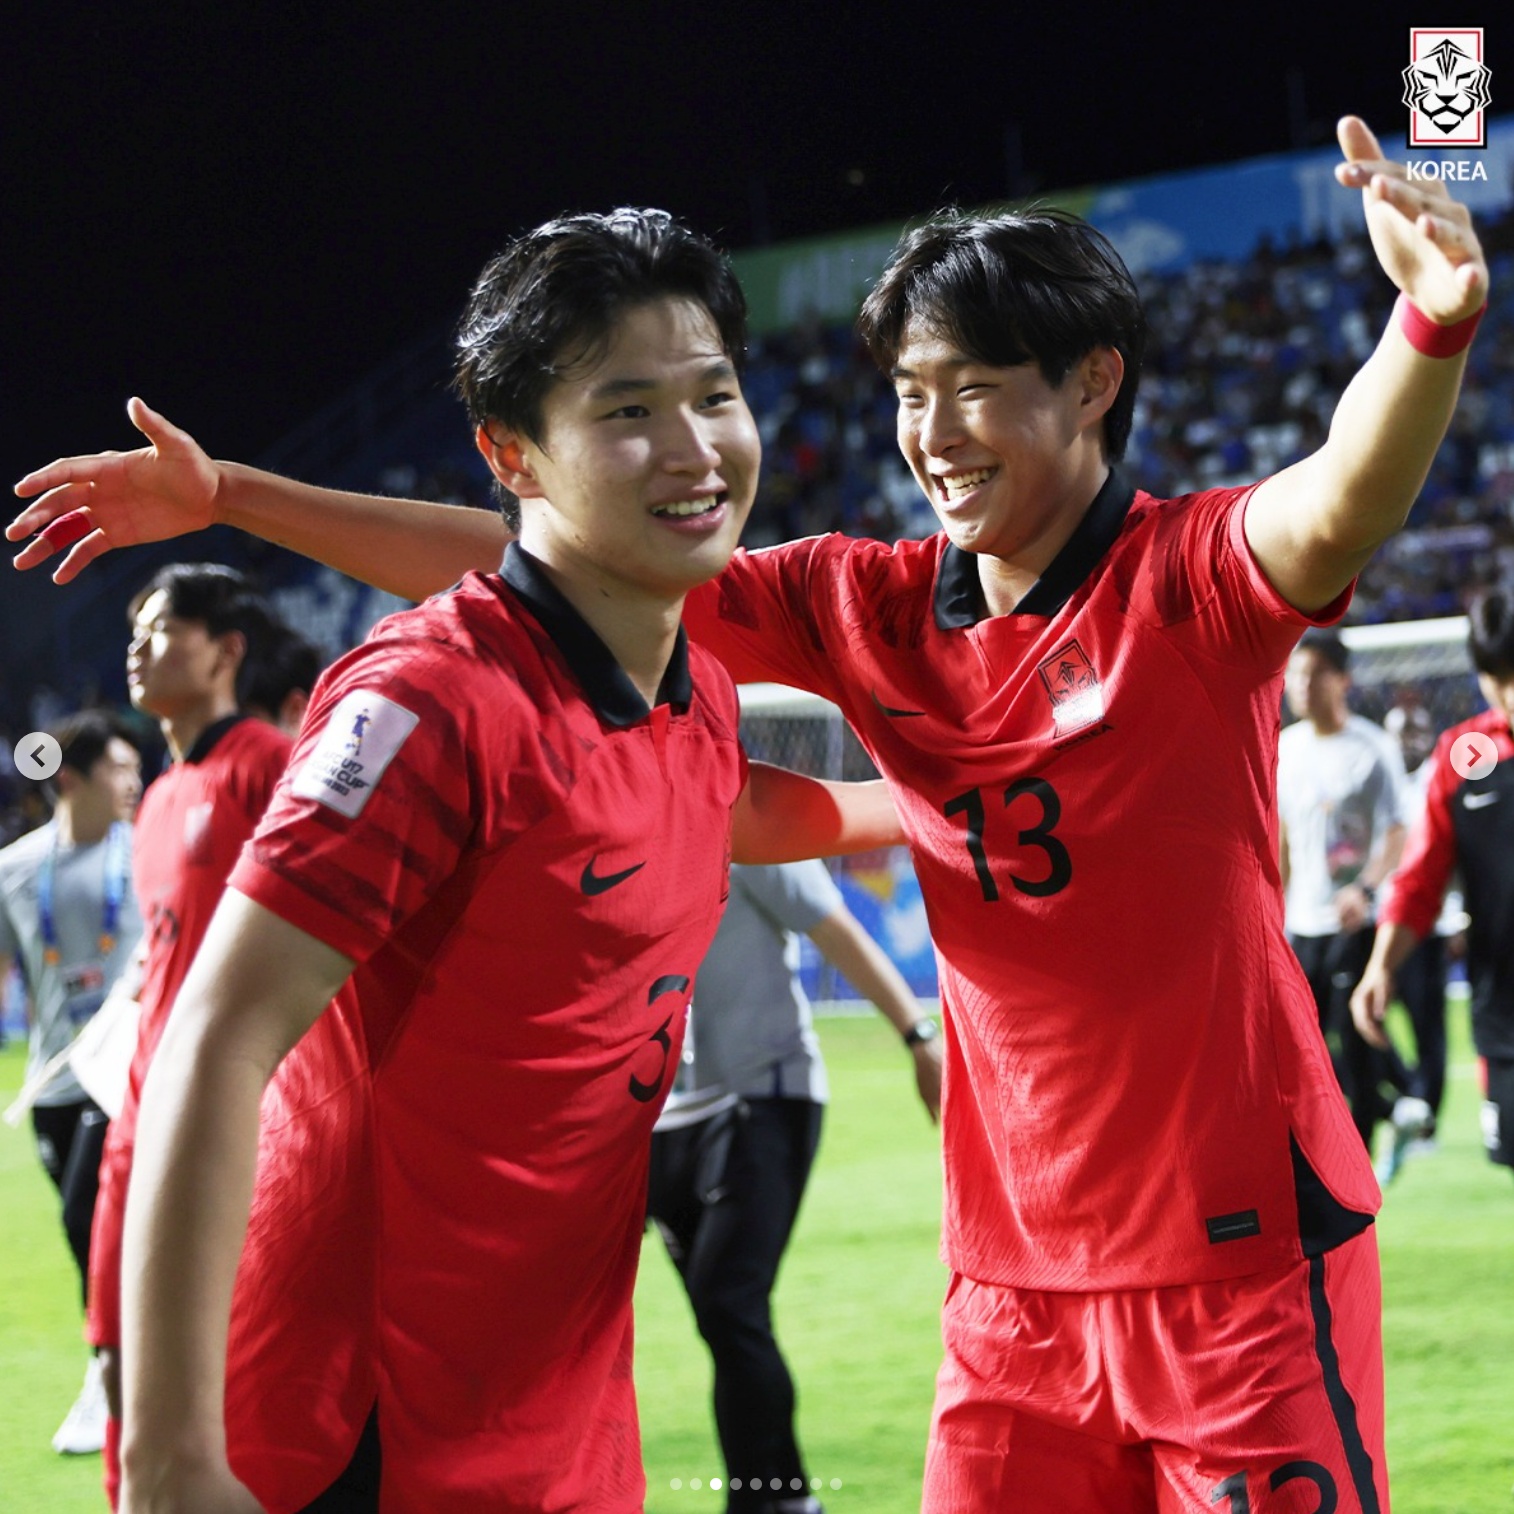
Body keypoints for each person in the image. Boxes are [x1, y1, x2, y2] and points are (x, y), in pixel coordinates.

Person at [8, 118, 1488, 1512]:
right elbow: (558, 548)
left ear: (1091, 381)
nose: (933, 432)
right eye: (908, 392)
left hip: (1235, 1258)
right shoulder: (865, 602)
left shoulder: (1185, 581)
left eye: (972, 385)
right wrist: (237, 499)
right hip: (1005, 1287)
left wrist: (1425, 329)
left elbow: (1333, 503)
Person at [20, 210, 902, 1514]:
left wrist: (941, 800)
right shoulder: (431, 700)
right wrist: (168, 1459)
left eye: (714, 394)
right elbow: (217, 1036)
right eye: (627, 410)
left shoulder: (691, 694)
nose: (692, 447)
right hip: (357, 1417)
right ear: (510, 454)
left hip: (551, 1405)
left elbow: (735, 814)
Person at [84, 562, 293, 1506]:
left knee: (232, 1389)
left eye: (164, 627)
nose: (140, 644)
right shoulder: (160, 796)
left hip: (234, 1124)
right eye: (135, 627)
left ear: (227, 650)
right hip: (137, 1122)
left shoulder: (267, 766)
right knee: (125, 1373)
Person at [646, 859, 940, 1514]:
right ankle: (785, 1497)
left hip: (766, 1094)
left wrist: (919, 1038)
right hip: (661, 1115)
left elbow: (835, 930)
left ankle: (771, 1501)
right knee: (720, 1318)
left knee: (728, 1301)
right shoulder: (623, 819)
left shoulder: (747, 815)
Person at [0, 710, 143, 1454]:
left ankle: (107, 1375)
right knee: (85, 1228)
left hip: (128, 1077)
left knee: (87, 1212)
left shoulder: (151, 849)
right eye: (117, 769)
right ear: (71, 779)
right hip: (53, 1081)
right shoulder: (16, 869)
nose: (132, 782)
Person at [1354, 586, 1514, 1186]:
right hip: (1505, 1018)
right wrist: (1380, 967)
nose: (1510, 691)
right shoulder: (1467, 753)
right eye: (1497, 677)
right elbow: (1420, 879)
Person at [1277, 629, 1418, 1170]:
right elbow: (1285, 837)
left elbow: (1398, 833)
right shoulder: (1286, 750)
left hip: (1353, 923)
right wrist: (1276, 907)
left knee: (1354, 1047)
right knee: (1307, 1052)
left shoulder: (1371, 749)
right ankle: (1396, 1105)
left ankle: (1357, 1168)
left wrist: (1366, 888)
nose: (1300, 686)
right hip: (1302, 924)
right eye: (1294, 675)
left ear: (1342, 681)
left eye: (1311, 675)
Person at [1381, 700, 1459, 1151]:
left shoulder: (1442, 774)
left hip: (1431, 927)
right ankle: (1408, 1096)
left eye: (1416, 731)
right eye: (1400, 731)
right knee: (1361, 1019)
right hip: (1382, 922)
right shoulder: (1379, 775)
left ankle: (1426, 1120)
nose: (1408, 740)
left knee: (1429, 1026)